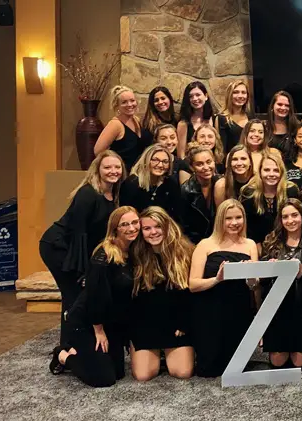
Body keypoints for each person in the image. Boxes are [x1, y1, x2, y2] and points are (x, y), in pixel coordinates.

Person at [39, 151, 124, 346]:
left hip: (77, 246)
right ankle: (68, 348)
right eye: (108, 167)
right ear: (98, 170)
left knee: (77, 296)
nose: (113, 171)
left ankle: (72, 343)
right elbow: (79, 234)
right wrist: (84, 271)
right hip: (58, 246)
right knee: (74, 295)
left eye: (117, 167)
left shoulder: (114, 193)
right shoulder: (88, 193)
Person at [49, 206, 138, 387]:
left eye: (135, 222)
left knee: (119, 372)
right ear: (115, 229)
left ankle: (83, 353)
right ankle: (63, 355)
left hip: (110, 321)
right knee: (104, 378)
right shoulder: (103, 257)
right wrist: (99, 331)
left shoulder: (134, 250)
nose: (131, 228)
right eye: (124, 225)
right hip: (88, 321)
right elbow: (95, 297)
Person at [189, 199, 258, 377]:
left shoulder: (250, 244)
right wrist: (217, 279)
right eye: (228, 218)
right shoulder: (205, 244)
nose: (234, 223)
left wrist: (250, 275)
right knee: (209, 370)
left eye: (238, 217)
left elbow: (253, 285)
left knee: (236, 369)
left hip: (239, 309)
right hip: (210, 310)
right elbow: (193, 284)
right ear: (220, 220)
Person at [129, 206, 194, 381]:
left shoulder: (185, 251)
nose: (153, 232)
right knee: (144, 375)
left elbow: (192, 295)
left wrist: (185, 323)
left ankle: (167, 354)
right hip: (146, 323)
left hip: (176, 324)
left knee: (182, 372)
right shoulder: (135, 254)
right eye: (147, 228)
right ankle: (152, 353)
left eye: (158, 226)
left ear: (167, 226)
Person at [260, 199, 302, 368]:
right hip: (278, 310)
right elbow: (262, 281)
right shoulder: (271, 243)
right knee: (277, 362)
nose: (290, 220)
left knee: (299, 363)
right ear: (280, 220)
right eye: (285, 217)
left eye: (294, 215)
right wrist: (268, 269)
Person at [240, 153, 300, 249]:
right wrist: (255, 246)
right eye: (267, 170)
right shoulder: (248, 193)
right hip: (255, 244)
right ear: (260, 172)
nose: (271, 174)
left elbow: (298, 221)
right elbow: (247, 226)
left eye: (276, 170)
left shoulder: (291, 191)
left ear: (282, 173)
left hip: (287, 242)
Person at [119, 144, 180, 219]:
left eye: (165, 161)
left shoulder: (170, 183)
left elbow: (176, 214)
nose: (160, 165)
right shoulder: (132, 183)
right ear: (146, 160)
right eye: (155, 160)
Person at [94, 86, 148, 169]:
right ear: (117, 106)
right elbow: (98, 151)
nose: (130, 104)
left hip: (136, 174)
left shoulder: (136, 120)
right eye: (124, 102)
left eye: (132, 100)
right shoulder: (115, 124)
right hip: (121, 174)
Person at [180, 144, 219, 244]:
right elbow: (185, 227)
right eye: (200, 164)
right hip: (196, 242)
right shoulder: (185, 190)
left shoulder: (222, 183)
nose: (206, 167)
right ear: (191, 167)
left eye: (209, 162)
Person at [177, 81, 216, 158]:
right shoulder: (183, 124)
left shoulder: (216, 119)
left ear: (206, 96)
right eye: (191, 96)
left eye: (198, 95)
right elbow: (181, 155)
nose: (194, 99)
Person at [215, 80, 252, 152]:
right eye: (235, 92)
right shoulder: (221, 118)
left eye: (243, 92)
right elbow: (221, 149)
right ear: (229, 95)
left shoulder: (250, 117)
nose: (240, 96)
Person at [266, 90, 300, 156]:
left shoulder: (297, 126)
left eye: (287, 105)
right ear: (272, 106)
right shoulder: (264, 127)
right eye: (280, 104)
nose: (283, 108)